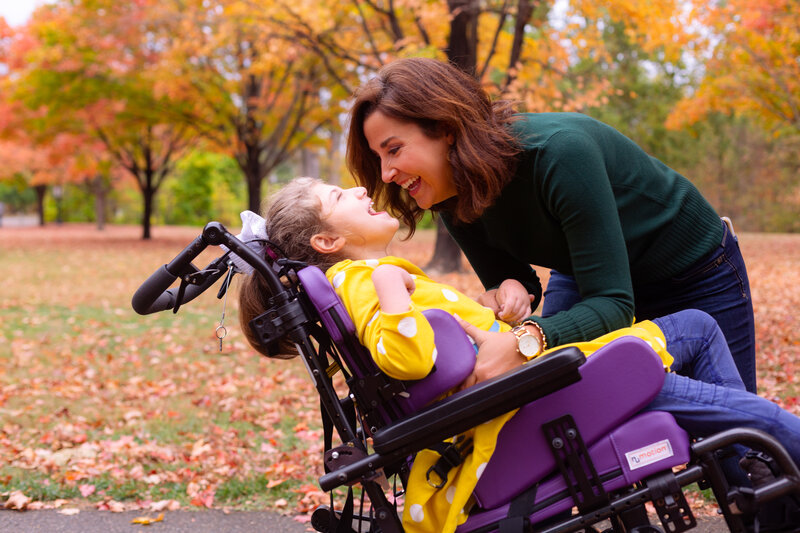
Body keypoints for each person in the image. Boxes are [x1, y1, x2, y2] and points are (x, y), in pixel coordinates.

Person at [237, 178, 800, 533]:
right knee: (758, 414)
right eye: (338, 197)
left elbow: (444, 345)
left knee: (700, 330)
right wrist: (388, 279)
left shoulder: (360, 279)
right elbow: (406, 358)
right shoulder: (364, 278)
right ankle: (764, 493)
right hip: (551, 394)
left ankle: (758, 496)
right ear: (327, 242)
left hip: (532, 387)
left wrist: (493, 310)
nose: (360, 190)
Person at [344, 57, 757, 394]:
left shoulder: (558, 153)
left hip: (694, 272)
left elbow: (613, 303)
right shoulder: (450, 195)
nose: (385, 174)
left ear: (446, 129)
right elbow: (519, 282)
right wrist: (509, 293)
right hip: (587, 276)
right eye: (378, 158)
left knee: (741, 450)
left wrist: (527, 340)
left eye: (393, 150)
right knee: (559, 396)